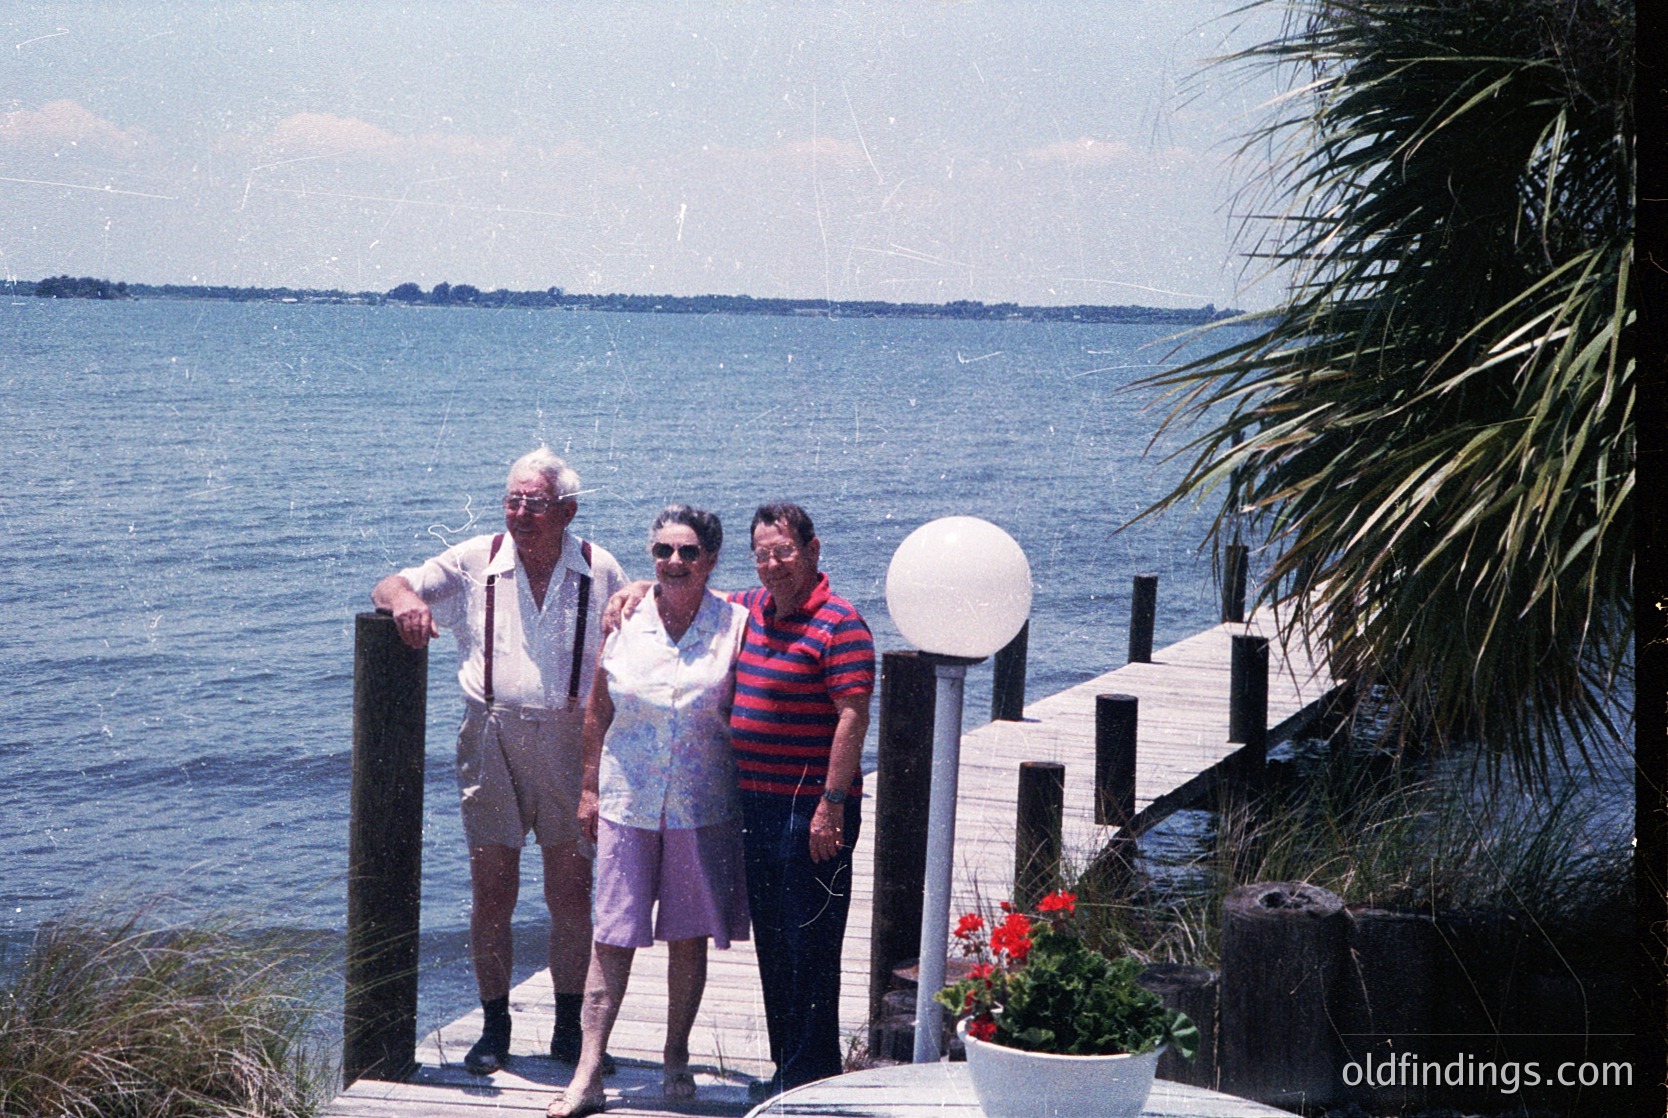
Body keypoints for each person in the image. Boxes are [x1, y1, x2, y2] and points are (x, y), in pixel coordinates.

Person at [603, 501, 875, 1099]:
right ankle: (788, 1073)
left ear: (812, 550)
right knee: (775, 943)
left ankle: (812, 1076)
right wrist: (640, 586)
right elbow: (690, 583)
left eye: (784, 552)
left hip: (813, 811)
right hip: (755, 805)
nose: (773, 565)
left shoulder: (841, 624)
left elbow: (853, 718)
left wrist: (832, 804)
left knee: (811, 942)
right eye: (762, 555)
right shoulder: (752, 609)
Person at [371, 448, 628, 1075]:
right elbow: (387, 584)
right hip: (490, 737)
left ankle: (571, 1031)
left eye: (534, 503)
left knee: (571, 891)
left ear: (566, 509)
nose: (520, 513)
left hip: (572, 738)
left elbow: (638, 624)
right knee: (493, 891)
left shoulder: (600, 567)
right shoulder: (474, 559)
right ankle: (494, 1028)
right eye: (512, 500)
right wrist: (405, 600)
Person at [549, 505, 750, 1118]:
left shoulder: (737, 622)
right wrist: (588, 789)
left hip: (702, 802)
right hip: (627, 800)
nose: (674, 562)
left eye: (688, 552)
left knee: (687, 936)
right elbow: (597, 712)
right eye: (662, 551)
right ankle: (588, 1072)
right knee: (611, 934)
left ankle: (675, 1054)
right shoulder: (627, 617)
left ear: (711, 560)